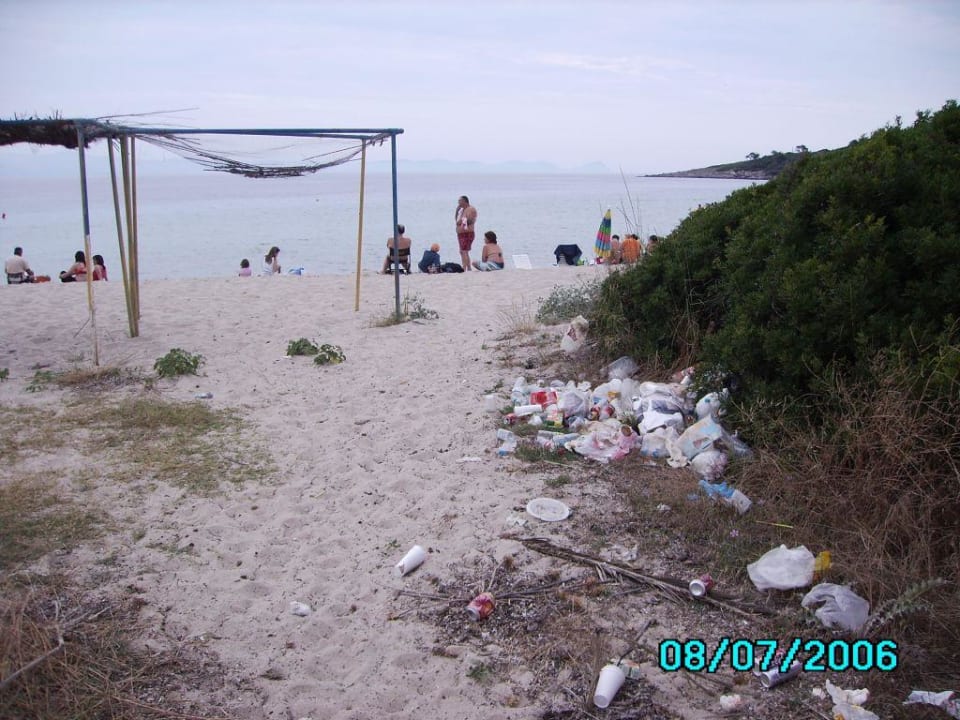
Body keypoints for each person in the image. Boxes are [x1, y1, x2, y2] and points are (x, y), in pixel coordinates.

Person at [455, 195, 478, 271]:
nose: (459, 203)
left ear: (465, 201)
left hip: (467, 233)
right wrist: (457, 211)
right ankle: (467, 268)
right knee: (462, 251)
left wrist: (461, 222)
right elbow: (456, 221)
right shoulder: (462, 210)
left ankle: (465, 268)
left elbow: (471, 220)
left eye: (460, 201)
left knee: (464, 251)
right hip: (461, 233)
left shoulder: (470, 209)